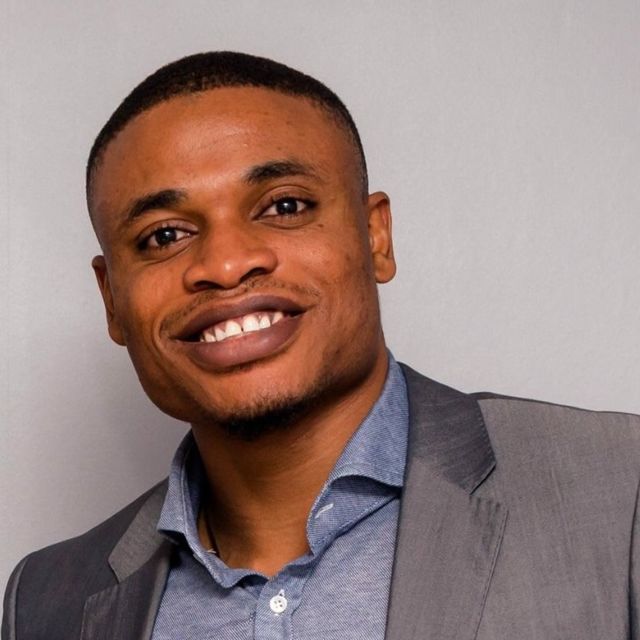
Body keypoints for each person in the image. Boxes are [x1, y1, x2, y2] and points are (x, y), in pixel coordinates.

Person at [2, 51, 640, 640]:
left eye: (284, 205)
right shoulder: (47, 600)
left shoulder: (619, 489)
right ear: (112, 299)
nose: (225, 264)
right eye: (164, 236)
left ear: (376, 237)